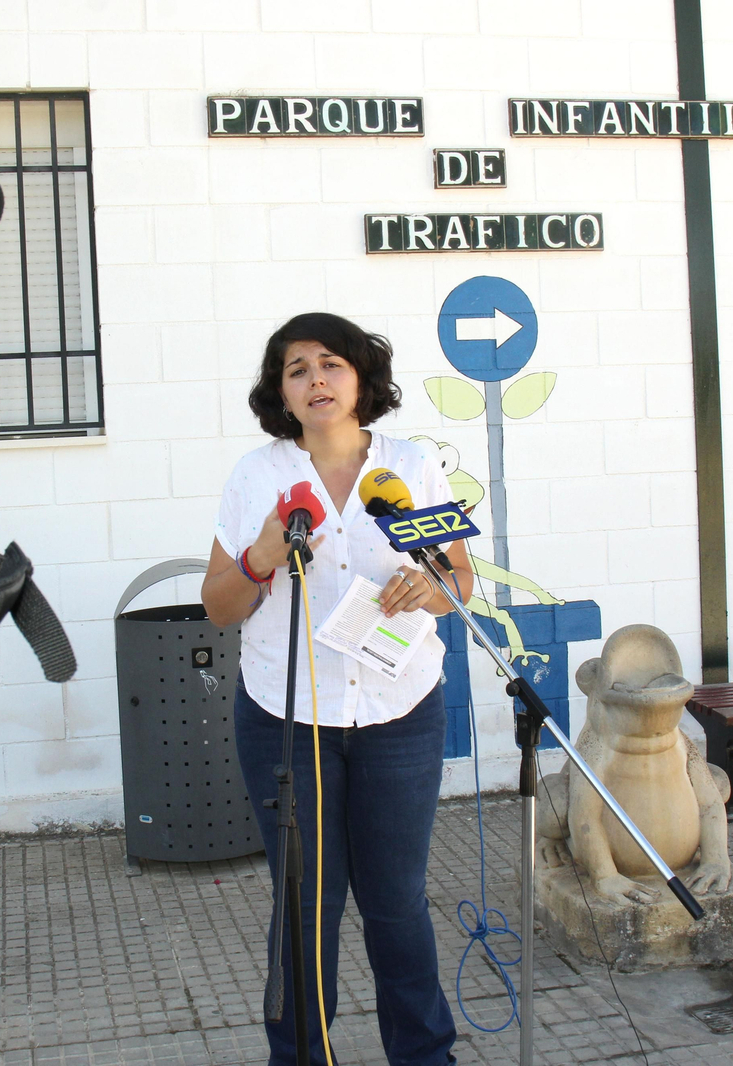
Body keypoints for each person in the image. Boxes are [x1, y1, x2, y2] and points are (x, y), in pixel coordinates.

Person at [202, 312, 471, 1066]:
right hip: (287, 718)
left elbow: (460, 581)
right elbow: (220, 606)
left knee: (397, 904)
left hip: (400, 712)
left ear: (361, 378)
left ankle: (424, 1056)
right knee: (305, 907)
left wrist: (431, 587)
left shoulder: (410, 466)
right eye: (297, 369)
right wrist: (259, 556)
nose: (316, 379)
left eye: (331, 364)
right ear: (281, 393)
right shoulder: (258, 477)